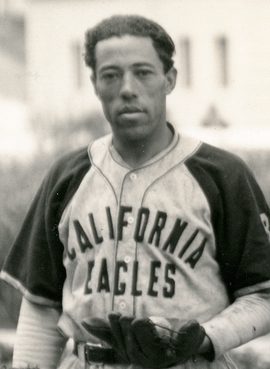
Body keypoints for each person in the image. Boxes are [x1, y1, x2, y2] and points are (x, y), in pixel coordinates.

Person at [1, 14, 270, 369]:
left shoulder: (221, 174)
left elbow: (263, 295)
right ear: (96, 84)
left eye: (143, 72)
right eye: (111, 75)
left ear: (169, 79)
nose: (127, 88)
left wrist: (206, 337)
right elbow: (42, 308)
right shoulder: (68, 176)